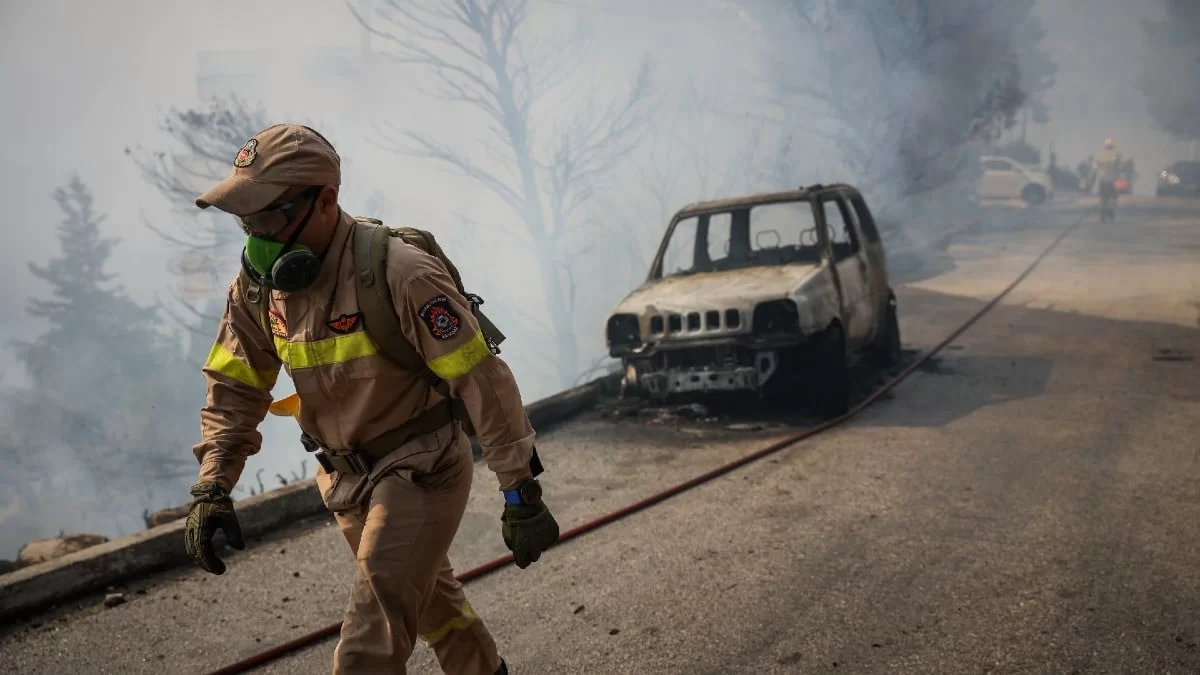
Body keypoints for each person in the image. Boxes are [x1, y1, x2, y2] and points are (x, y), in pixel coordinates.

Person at [182, 123, 559, 674]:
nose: (257, 236)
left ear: (326, 199)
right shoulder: (258, 287)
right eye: (247, 220)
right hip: (345, 481)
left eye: (271, 216)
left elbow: (483, 383)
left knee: (369, 643)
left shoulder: (399, 272)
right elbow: (236, 387)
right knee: (435, 609)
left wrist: (519, 489)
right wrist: (213, 484)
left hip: (422, 468)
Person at [1090, 138, 1124, 221]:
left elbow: (1095, 168)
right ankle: (1110, 210)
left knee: (1103, 199)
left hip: (1103, 180)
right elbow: (1123, 165)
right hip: (1114, 181)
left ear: (1105, 146)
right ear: (1112, 146)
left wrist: (1092, 180)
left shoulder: (1100, 156)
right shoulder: (1117, 155)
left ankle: (1103, 213)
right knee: (1114, 198)